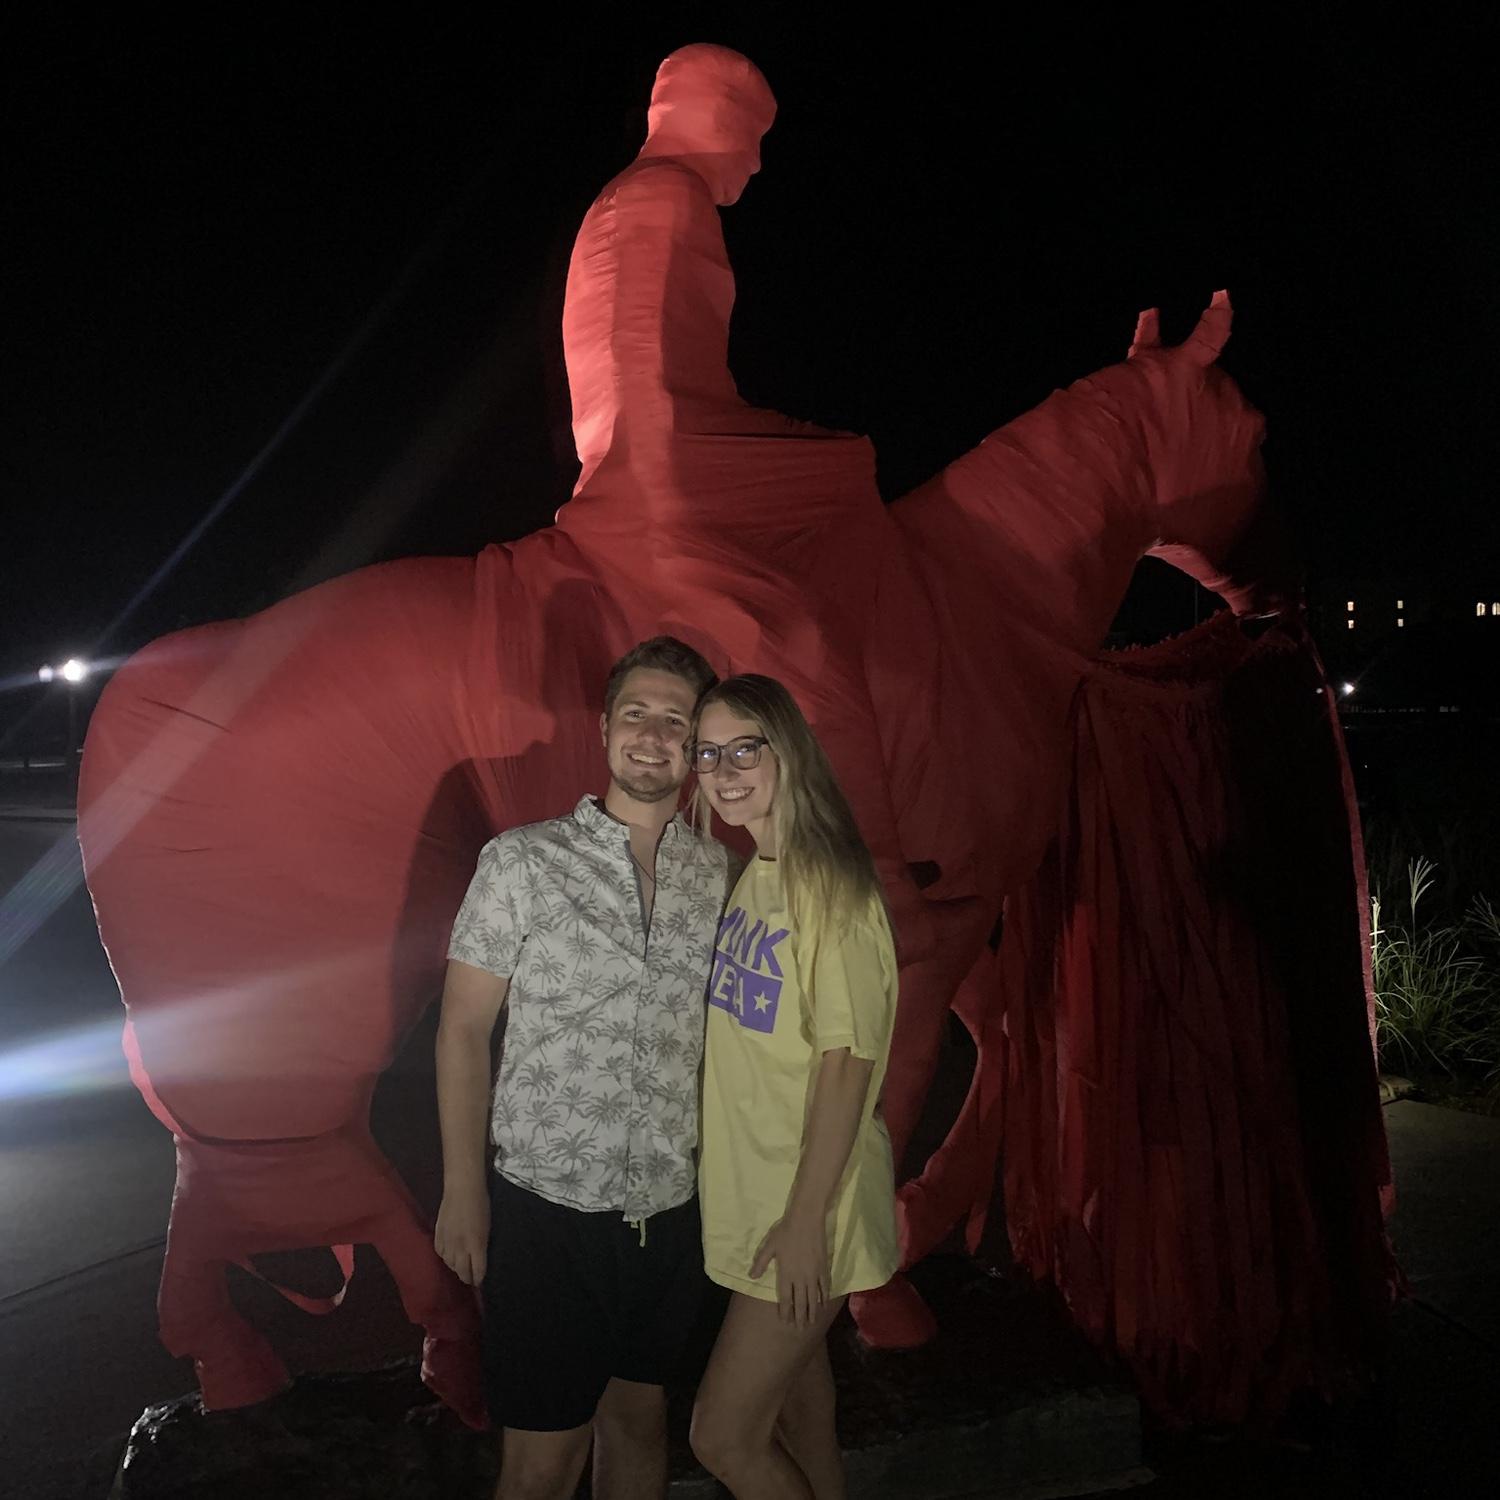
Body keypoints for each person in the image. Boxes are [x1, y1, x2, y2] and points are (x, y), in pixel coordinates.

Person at [434, 635, 734, 1500]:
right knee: (542, 1464)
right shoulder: (522, 862)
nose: (653, 735)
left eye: (675, 720)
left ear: (696, 746)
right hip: (549, 1208)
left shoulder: (718, 874)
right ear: (604, 728)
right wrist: (464, 1190)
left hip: (669, 1209)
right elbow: (462, 1031)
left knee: (638, 1423)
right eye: (636, 713)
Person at [687, 674, 899, 1500]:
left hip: (808, 1208)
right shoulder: (761, 870)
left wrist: (806, 1220)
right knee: (802, 1417)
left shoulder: (827, 885)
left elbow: (849, 1063)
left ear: (789, 753)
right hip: (760, 1197)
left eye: (745, 749)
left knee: (721, 1436)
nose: (724, 771)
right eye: (708, 754)